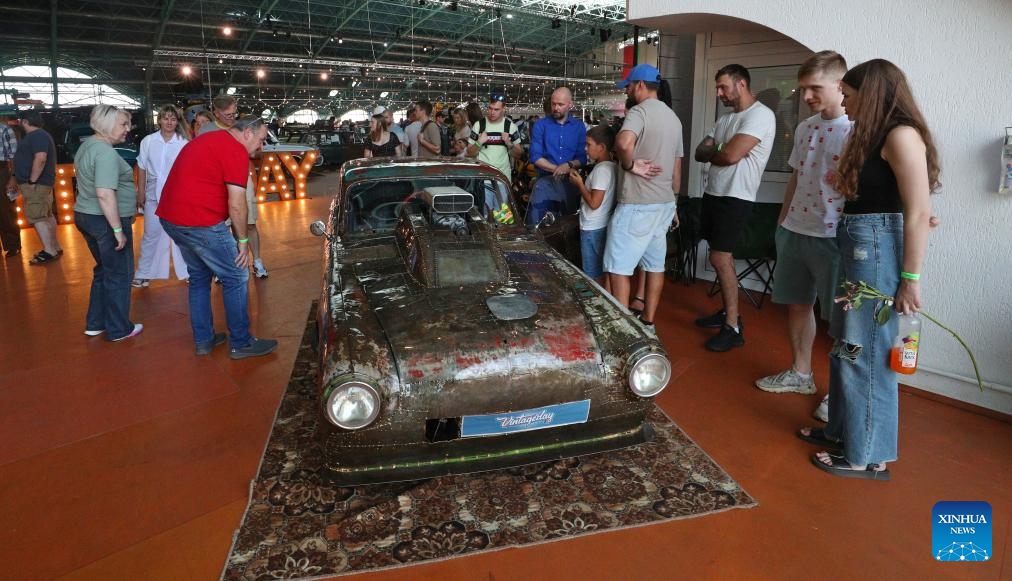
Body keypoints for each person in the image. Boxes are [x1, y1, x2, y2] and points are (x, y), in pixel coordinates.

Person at [802, 59, 938, 480]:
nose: (843, 100)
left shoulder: (901, 135)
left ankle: (866, 455)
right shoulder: (876, 134)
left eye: (849, 93)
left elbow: (917, 213)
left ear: (872, 93)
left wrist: (910, 279)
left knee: (868, 352)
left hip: (874, 249)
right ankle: (843, 431)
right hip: (859, 243)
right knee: (847, 346)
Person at [754, 52, 850, 415]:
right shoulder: (806, 127)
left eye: (815, 88)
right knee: (797, 303)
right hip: (795, 229)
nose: (807, 96)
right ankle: (800, 372)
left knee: (841, 319)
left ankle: (840, 392)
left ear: (839, 85)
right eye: (803, 88)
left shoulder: (857, 129)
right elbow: (797, 174)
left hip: (833, 235)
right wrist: (782, 222)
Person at [157, 117, 278, 359]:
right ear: (246, 133)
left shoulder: (207, 140)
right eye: (261, 140)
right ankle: (241, 343)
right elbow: (237, 204)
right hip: (200, 222)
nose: (261, 147)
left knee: (200, 277)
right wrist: (242, 242)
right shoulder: (235, 150)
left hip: (172, 219)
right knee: (236, 275)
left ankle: (204, 340)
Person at [693, 64, 776, 351]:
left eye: (723, 87)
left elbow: (728, 155)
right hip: (715, 193)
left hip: (736, 197)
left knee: (720, 258)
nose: (719, 93)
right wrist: (720, 151)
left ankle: (733, 326)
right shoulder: (727, 119)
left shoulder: (761, 115)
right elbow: (698, 152)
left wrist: (718, 151)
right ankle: (729, 312)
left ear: (741, 84)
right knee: (719, 258)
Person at [605, 63, 683, 327]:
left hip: (637, 204)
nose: (626, 90)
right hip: (663, 205)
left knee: (618, 269)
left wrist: (629, 164)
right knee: (654, 266)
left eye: (628, 85)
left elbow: (624, 143)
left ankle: (623, 328)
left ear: (639, 85)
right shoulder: (673, 118)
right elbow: (676, 169)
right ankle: (648, 322)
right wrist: (674, 205)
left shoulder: (639, 111)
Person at [73, 105, 143, 341]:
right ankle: (118, 328)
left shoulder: (88, 146)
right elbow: (104, 192)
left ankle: (96, 322)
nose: (127, 129)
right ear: (106, 125)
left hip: (87, 215)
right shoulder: (103, 151)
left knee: (104, 270)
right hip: (104, 220)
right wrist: (116, 230)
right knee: (120, 274)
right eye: (123, 124)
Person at [199, 95, 268, 278]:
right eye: (227, 114)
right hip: (219, 183)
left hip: (241, 178)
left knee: (249, 223)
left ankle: (257, 260)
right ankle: (229, 266)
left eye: (233, 113)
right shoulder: (207, 130)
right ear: (216, 112)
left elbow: (253, 152)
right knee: (225, 226)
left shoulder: (242, 127)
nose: (231, 117)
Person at [133, 104, 191, 287]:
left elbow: (189, 172)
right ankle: (143, 273)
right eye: (165, 118)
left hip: (177, 195)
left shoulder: (184, 142)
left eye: (173, 119)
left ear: (177, 121)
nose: (169, 122)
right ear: (159, 120)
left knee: (182, 234)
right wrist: (140, 192)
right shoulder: (148, 141)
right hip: (152, 195)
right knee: (151, 234)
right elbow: (141, 167)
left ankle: (189, 271)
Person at [527, 87, 588, 225]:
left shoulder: (579, 127)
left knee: (568, 225)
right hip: (544, 182)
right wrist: (559, 168)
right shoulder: (540, 125)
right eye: (553, 104)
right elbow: (535, 157)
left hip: (570, 184)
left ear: (570, 105)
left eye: (560, 104)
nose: (556, 108)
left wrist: (569, 165)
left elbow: (582, 157)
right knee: (537, 224)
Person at [568, 124, 616, 289]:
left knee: (592, 274)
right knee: (602, 271)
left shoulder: (602, 170)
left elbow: (595, 203)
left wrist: (580, 184)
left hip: (593, 226)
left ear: (601, 147)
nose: (586, 148)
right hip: (601, 224)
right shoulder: (612, 167)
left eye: (589, 144)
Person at [12, 111, 63, 264]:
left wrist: (32, 181)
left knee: (37, 216)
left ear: (26, 122)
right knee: (46, 214)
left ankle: (49, 251)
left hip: (36, 184)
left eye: (21, 120)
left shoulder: (37, 136)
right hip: (40, 183)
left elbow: (40, 158)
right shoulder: (39, 135)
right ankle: (54, 246)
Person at [467, 94, 524, 212]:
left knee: (502, 214)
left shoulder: (510, 126)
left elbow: (519, 154)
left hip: (502, 178)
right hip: (483, 178)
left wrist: (509, 143)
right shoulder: (479, 125)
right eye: (490, 108)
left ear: (503, 109)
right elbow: (470, 153)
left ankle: (502, 231)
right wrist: (479, 142)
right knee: (485, 212)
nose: (492, 112)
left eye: (496, 109)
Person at [0, 122, 21, 258]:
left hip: (1, 170)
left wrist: (13, 177)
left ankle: (13, 245)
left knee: (6, 210)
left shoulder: (4, 128)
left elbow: (14, 155)